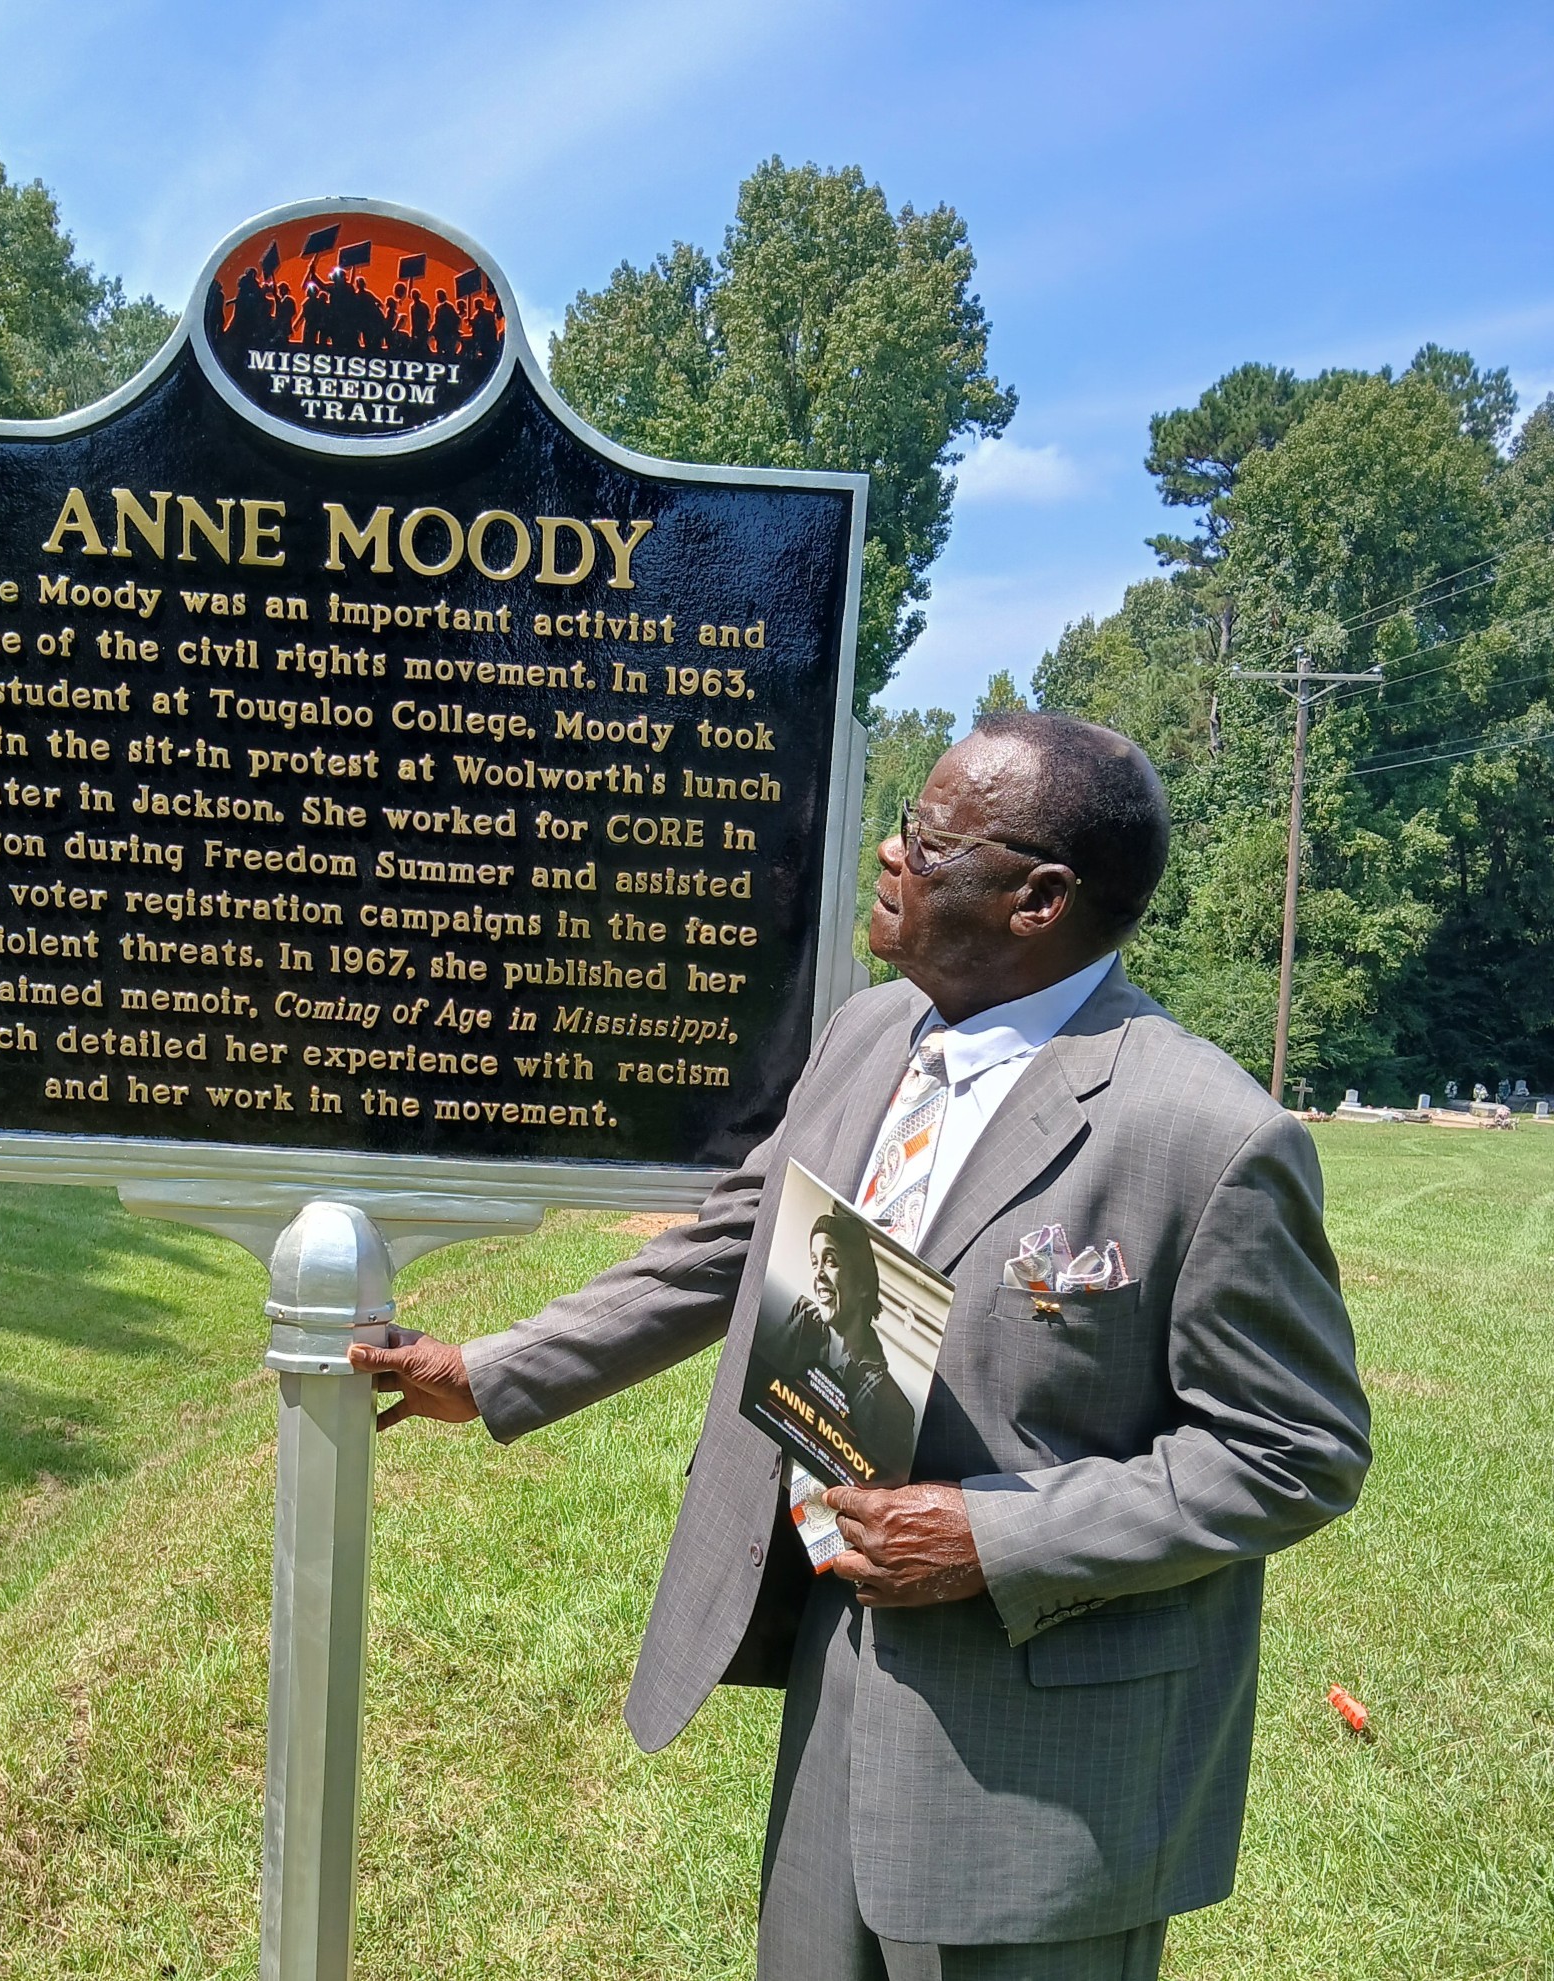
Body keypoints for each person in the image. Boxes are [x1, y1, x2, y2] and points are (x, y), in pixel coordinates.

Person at [353, 712, 1371, 1980]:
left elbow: (1294, 1449)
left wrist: (992, 1536)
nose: (891, 854)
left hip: (1045, 1770)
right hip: (840, 1661)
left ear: (1040, 900)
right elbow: (739, 1241)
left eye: (929, 840)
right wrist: (498, 1370)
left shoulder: (1205, 1133)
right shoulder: (873, 1033)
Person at [766, 1210, 915, 1474]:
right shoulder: (803, 1320)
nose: (818, 1274)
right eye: (814, 1262)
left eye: (830, 1261)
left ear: (862, 1283)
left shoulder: (889, 1402)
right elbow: (761, 1377)